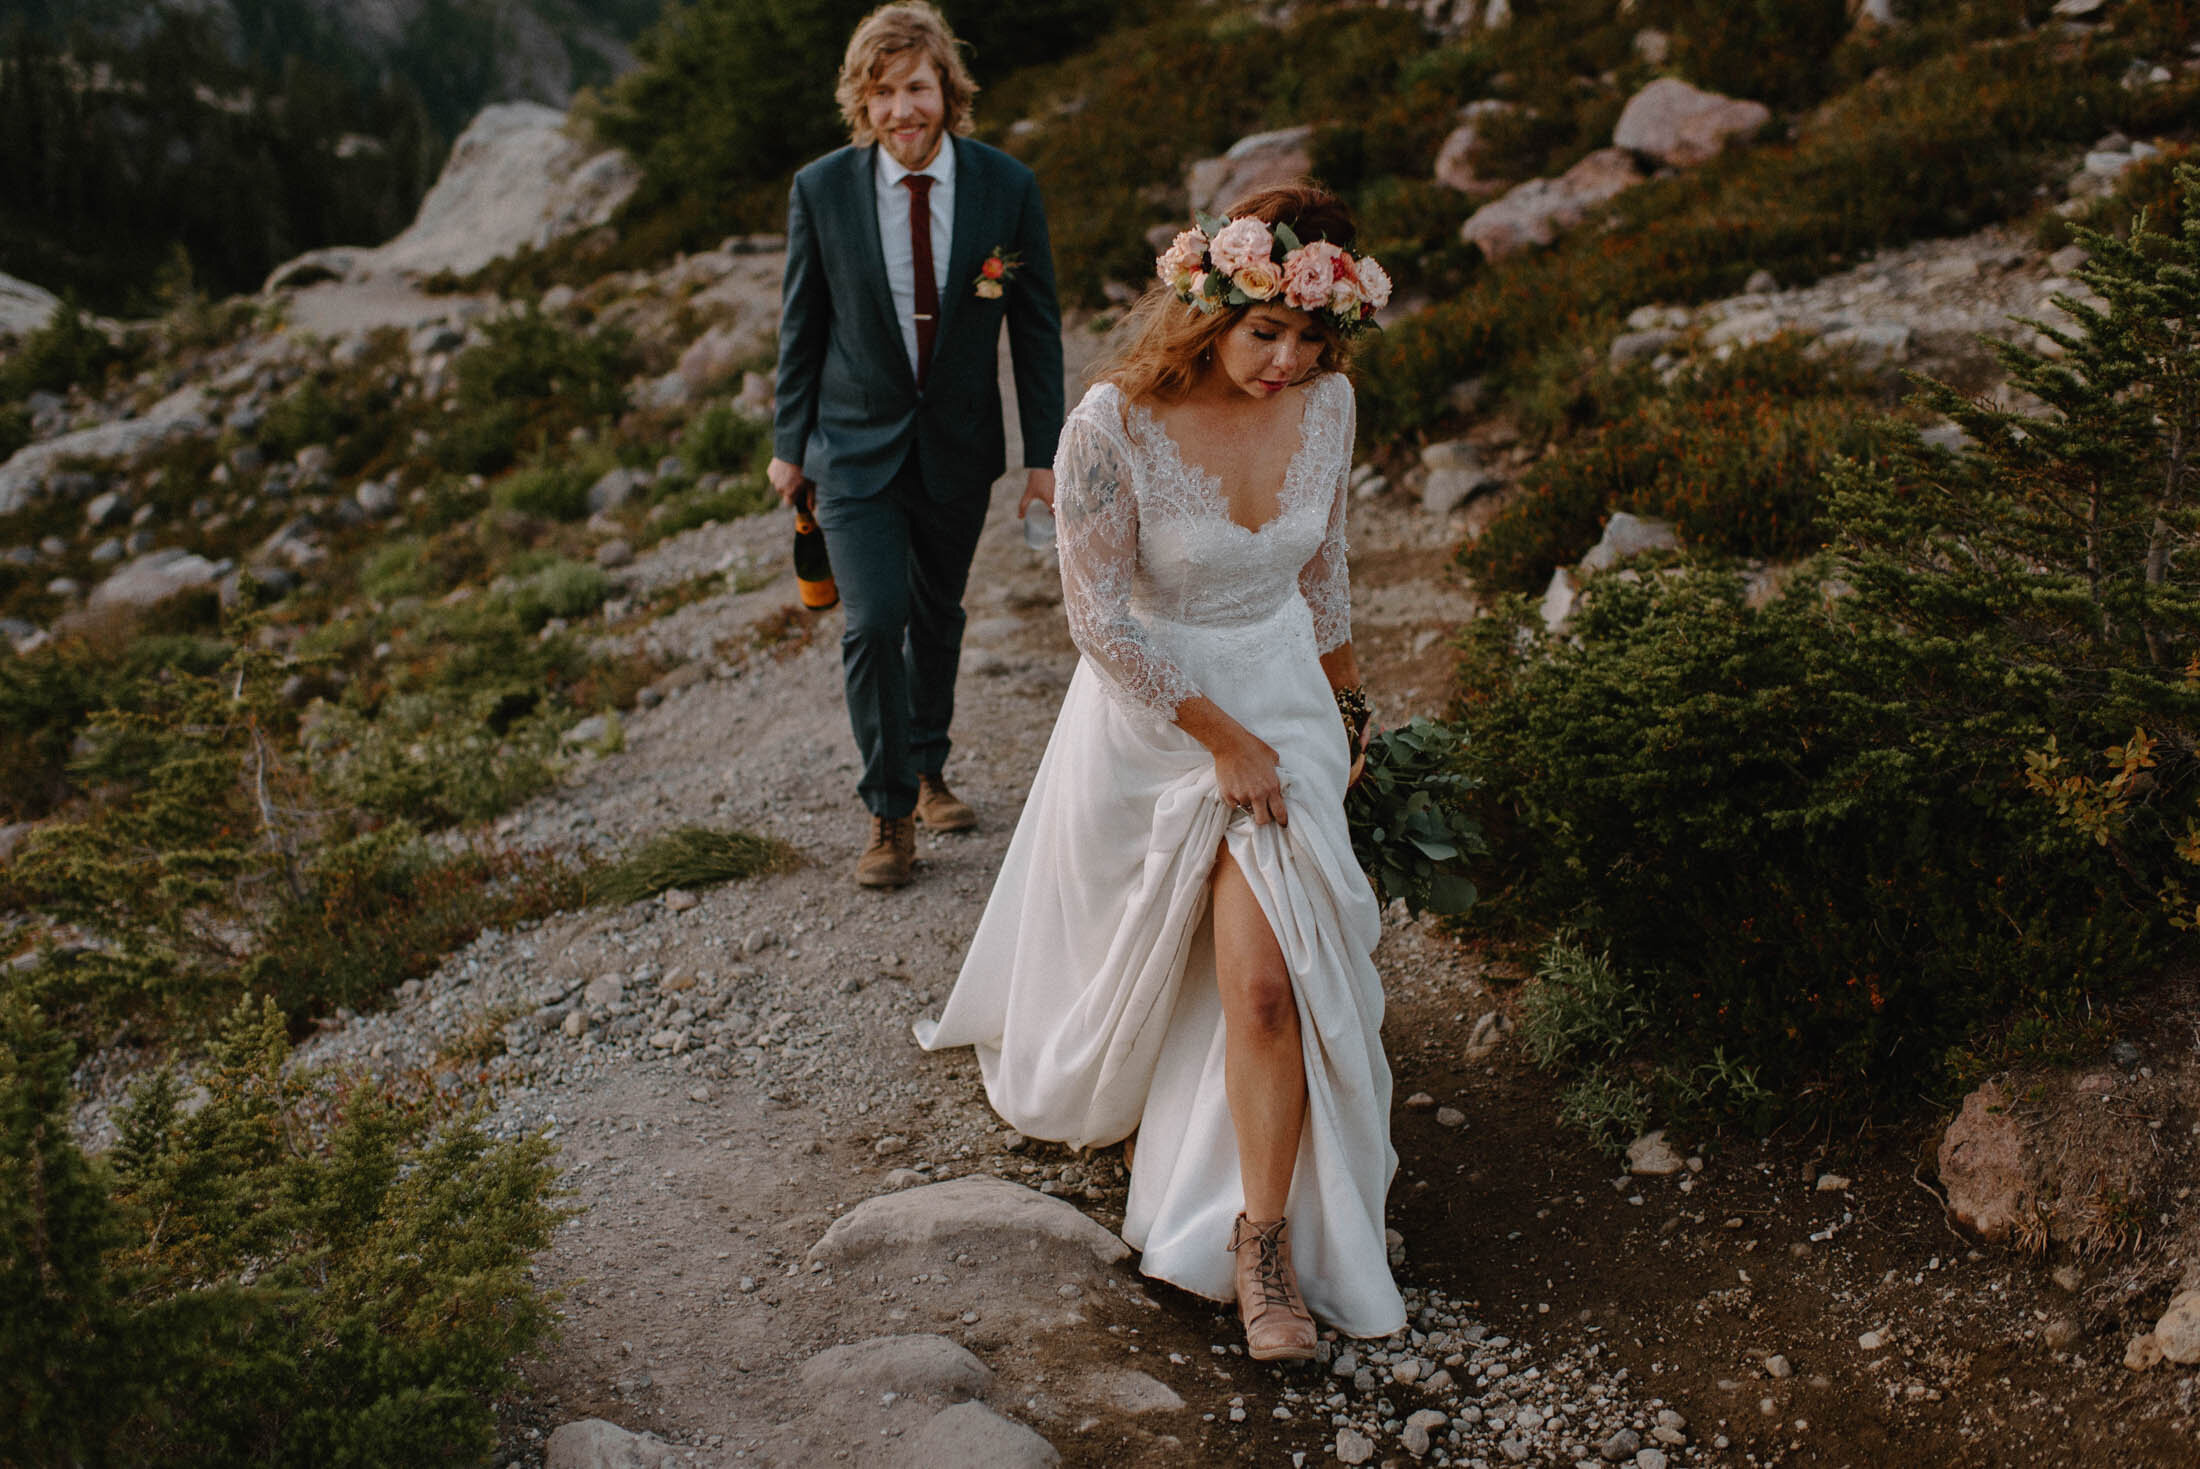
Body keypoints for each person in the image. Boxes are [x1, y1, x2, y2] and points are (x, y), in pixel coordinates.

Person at [917, 184, 1404, 1358]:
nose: (1286, 363)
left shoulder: (1328, 407)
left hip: (1281, 701)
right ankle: (1152, 1107)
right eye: (1263, 334)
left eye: (1310, 339)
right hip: (1153, 716)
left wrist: (1343, 717)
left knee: (1267, 985)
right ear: (1205, 315)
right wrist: (1218, 737)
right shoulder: (1110, 423)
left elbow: (1324, 573)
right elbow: (1096, 620)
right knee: (1138, 972)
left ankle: (1262, 1246)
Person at [770, 2, 1065, 889]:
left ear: (949, 91)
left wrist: (1043, 457)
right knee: (873, 623)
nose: (905, 107)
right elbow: (801, 326)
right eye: (885, 90)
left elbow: (1037, 329)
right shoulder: (821, 189)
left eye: (920, 87)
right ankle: (889, 811)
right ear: (863, 101)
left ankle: (932, 767)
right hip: (851, 450)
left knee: (939, 614)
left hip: (959, 446)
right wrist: (790, 444)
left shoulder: (1005, 187)